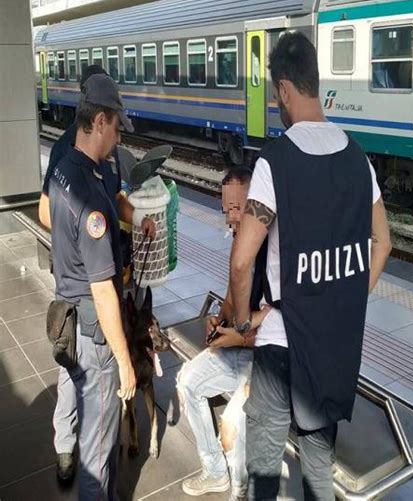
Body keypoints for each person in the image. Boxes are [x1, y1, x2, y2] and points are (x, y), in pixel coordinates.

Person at [230, 32, 392, 500]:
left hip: (282, 343)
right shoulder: (358, 158)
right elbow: (382, 244)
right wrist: (344, 298)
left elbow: (242, 262)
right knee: (319, 474)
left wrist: (243, 322)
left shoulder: (275, 160)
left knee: (263, 469)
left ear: (282, 89)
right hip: (331, 347)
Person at [39, 66, 155, 484]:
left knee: (96, 435)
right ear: (100, 120)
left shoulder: (70, 166)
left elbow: (109, 202)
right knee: (99, 450)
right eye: (117, 129)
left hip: (75, 313)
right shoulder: (86, 191)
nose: (120, 139)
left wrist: (133, 215)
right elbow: (104, 290)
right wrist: (125, 361)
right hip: (93, 327)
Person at [177, 167, 269, 501]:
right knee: (186, 381)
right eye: (225, 209)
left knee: (231, 424)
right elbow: (233, 294)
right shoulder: (238, 240)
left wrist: (240, 338)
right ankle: (214, 471)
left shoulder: (276, 248)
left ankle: (240, 489)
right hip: (242, 346)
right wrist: (219, 320)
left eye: (237, 208)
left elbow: (282, 321)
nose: (230, 217)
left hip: (270, 360)